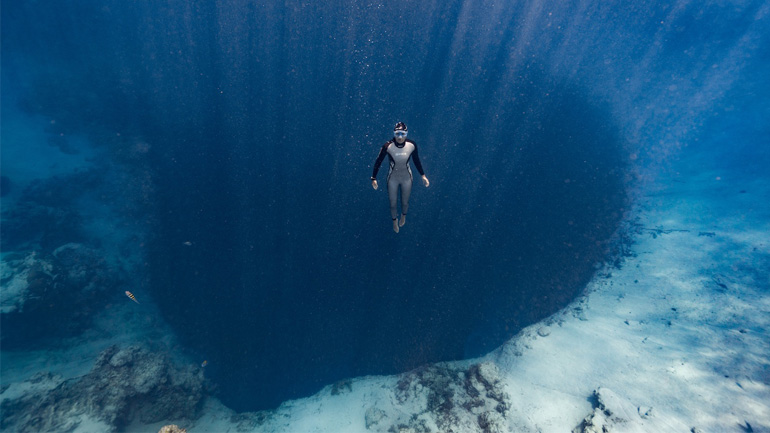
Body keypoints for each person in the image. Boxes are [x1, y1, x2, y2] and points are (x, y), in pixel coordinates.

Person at [371, 122, 429, 233]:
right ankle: (394, 221)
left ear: (406, 134)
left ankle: (403, 216)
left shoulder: (411, 145)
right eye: (397, 134)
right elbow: (378, 161)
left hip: (407, 178)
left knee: (405, 202)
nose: (400, 137)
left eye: (403, 134)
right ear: (394, 134)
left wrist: (423, 175)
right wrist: (373, 178)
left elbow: (416, 160)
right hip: (392, 179)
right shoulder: (387, 146)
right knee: (392, 204)